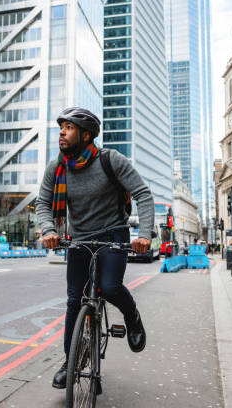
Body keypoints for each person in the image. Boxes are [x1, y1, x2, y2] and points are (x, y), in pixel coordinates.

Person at [36, 107, 154, 390]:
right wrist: (50, 230)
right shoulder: (58, 166)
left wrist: (145, 234)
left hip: (112, 234)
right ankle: (71, 360)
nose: (62, 132)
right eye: (61, 127)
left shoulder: (110, 160)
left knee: (109, 288)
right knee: (74, 301)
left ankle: (132, 316)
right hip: (78, 239)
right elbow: (42, 203)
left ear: (86, 135)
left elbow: (143, 194)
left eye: (69, 127)